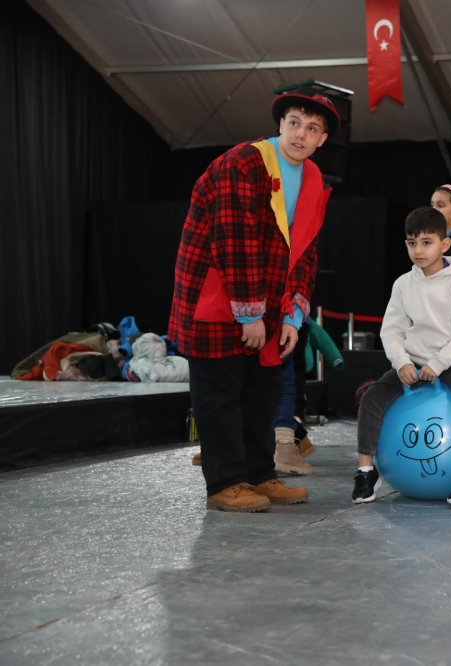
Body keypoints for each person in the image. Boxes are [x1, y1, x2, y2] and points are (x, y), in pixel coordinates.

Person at [169, 86, 339, 512]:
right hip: (215, 295)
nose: (301, 134)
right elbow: (234, 239)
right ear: (280, 124)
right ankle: (225, 482)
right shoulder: (244, 162)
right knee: (220, 393)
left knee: (262, 392)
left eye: (312, 128)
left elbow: (305, 251)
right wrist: (250, 313)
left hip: (266, 303)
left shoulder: (313, 179)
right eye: (294, 123)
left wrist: (293, 315)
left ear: (322, 139)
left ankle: (260, 474)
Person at [354, 207, 451, 509]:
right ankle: (365, 471)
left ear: (445, 244)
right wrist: (402, 362)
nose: (418, 250)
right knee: (372, 398)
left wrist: (438, 363)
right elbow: (391, 330)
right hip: (414, 361)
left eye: (427, 242)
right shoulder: (403, 284)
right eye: (412, 243)